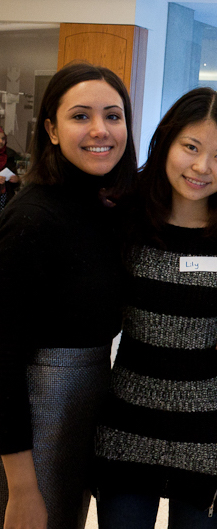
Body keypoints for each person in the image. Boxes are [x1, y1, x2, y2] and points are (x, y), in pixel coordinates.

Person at [92, 88, 217, 527]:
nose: (202, 167)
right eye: (191, 147)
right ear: (165, 141)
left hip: (210, 430)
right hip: (128, 422)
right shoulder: (125, 216)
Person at [0, 62, 139, 529]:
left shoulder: (103, 205)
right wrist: (21, 488)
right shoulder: (33, 219)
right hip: (35, 417)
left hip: (86, 405)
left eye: (113, 116)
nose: (100, 130)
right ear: (51, 130)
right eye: (80, 116)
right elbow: (1, 360)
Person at [0, 127, 22, 213]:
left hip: (6, 198)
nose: (1, 141)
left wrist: (17, 179)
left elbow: (16, 185)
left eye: (3, 138)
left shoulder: (9, 156)